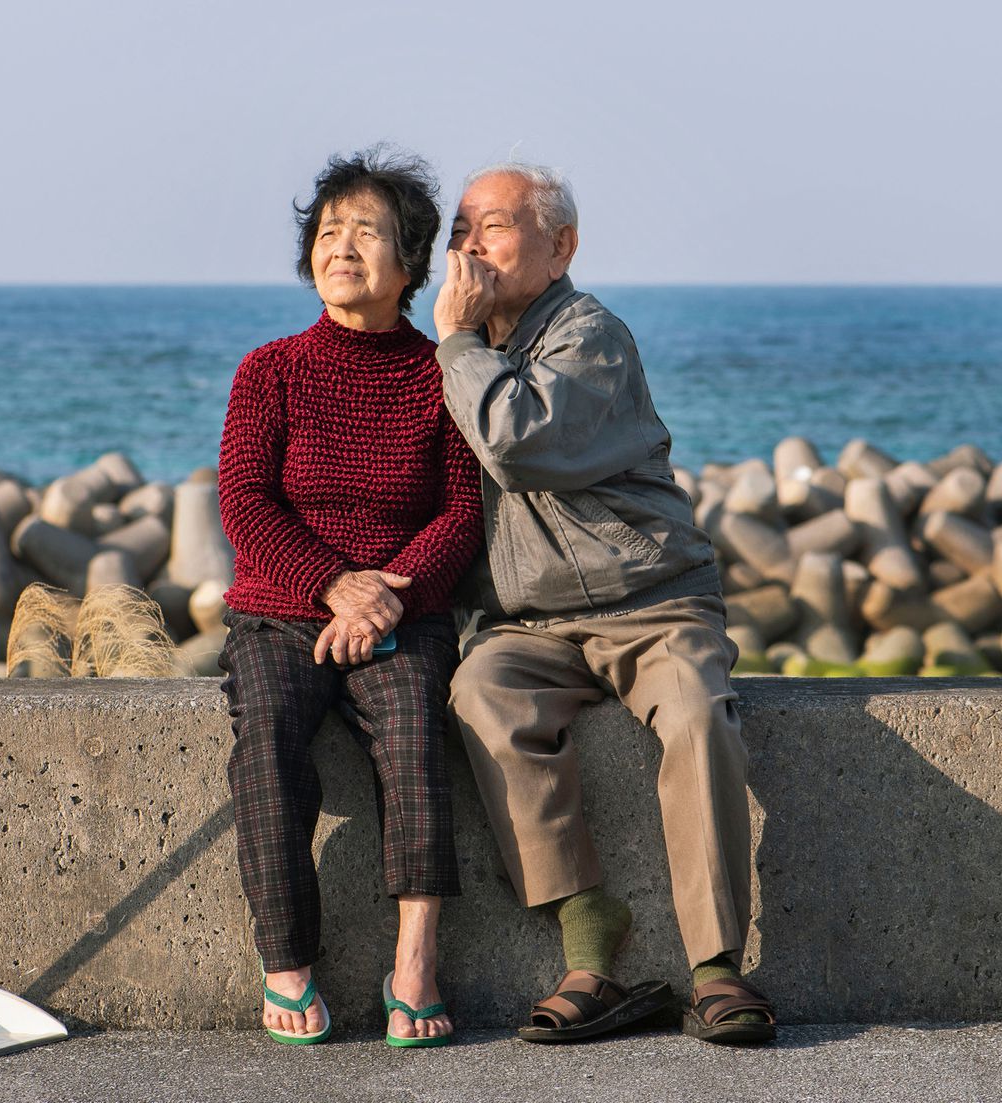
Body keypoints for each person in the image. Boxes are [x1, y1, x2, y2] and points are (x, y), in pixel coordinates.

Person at [431, 162, 776, 1045]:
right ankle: (591, 939)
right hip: (530, 625)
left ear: (562, 247)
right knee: (481, 694)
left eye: (494, 227)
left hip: (654, 602)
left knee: (699, 715)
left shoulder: (591, 335)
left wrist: (459, 348)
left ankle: (718, 970)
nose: (470, 247)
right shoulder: (460, 353)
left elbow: (519, 442)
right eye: (459, 231)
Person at [215, 149, 483, 1047]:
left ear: (409, 263)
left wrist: (384, 602)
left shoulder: (442, 374)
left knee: (413, 728)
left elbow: (461, 512)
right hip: (282, 610)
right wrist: (334, 586)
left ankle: (415, 964)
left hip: (404, 611)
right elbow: (245, 503)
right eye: (328, 232)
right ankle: (287, 962)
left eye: (366, 231)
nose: (341, 246)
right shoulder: (271, 369)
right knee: (268, 741)